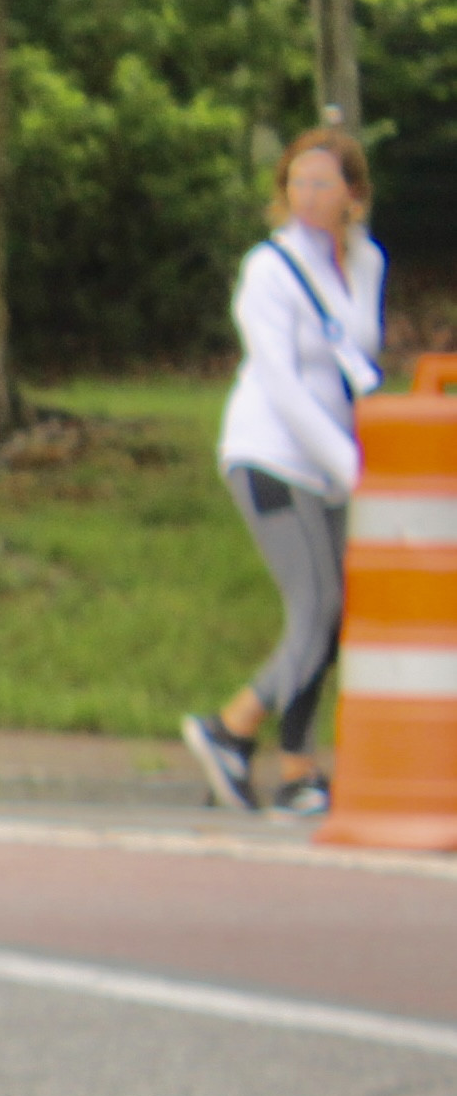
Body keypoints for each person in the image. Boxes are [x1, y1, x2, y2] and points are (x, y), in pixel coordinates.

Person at [187, 123, 386, 818]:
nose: (306, 193)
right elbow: (282, 383)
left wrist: (353, 463)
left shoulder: (365, 265)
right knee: (317, 606)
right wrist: (352, 467)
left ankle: (297, 767)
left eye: (322, 181)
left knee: (333, 618)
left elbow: (356, 368)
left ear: (352, 195)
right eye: (296, 181)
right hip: (269, 455)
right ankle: (229, 727)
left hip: (332, 467)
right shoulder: (266, 271)